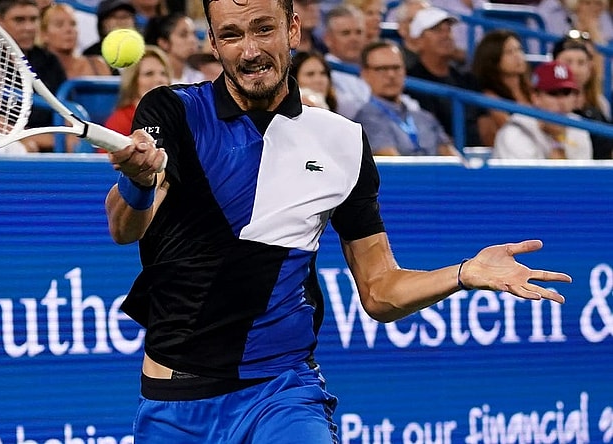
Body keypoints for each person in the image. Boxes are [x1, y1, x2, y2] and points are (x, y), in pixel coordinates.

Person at [102, 0, 572, 441]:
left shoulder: (341, 141)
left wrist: (463, 273)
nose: (250, 50)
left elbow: (380, 290)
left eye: (263, 28)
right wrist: (139, 181)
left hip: (280, 392)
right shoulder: (173, 110)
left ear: (292, 29)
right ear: (212, 42)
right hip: (174, 405)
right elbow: (125, 229)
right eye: (231, 35)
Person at [355, 40, 458, 156]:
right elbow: (395, 168)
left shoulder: (425, 118)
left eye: (396, 68)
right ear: (365, 74)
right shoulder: (366, 120)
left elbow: (455, 162)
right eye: (382, 69)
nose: (391, 75)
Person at [0, 0, 67, 152]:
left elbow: (67, 117)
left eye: (33, 20)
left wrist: (29, 137)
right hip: (0, 149)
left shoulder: (50, 61)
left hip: (49, 147)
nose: (29, 27)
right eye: (19, 20)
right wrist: (23, 140)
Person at [406, 6, 485, 146]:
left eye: (448, 29)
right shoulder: (411, 82)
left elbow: (484, 121)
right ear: (418, 41)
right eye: (437, 30)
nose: (446, 35)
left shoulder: (466, 78)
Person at [493, 60, 592, 160]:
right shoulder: (515, 131)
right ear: (536, 97)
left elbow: (583, 174)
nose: (562, 102)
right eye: (554, 93)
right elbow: (527, 175)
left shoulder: (578, 126)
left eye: (566, 93)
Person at [552, 31, 613, 159]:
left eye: (581, 63)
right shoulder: (549, 104)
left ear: (590, 67)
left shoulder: (599, 102)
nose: (575, 69)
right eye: (568, 62)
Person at [471, 29, 532, 147]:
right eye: (509, 52)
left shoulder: (533, 90)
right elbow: (511, 128)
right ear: (493, 59)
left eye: (519, 50)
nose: (517, 56)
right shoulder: (490, 98)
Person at [105, 45, 172, 136]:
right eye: (149, 74)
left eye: (163, 74)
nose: (159, 79)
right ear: (133, 81)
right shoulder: (120, 121)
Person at [322, 4, 371, 119]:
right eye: (346, 33)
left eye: (358, 32)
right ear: (328, 39)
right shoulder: (322, 72)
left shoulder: (375, 68)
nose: (354, 39)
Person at [39, 2, 113, 78]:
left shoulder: (98, 66)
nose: (68, 29)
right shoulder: (36, 70)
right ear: (44, 34)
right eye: (59, 25)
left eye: (73, 24)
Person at [82, 0, 139, 75]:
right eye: (114, 16)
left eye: (125, 16)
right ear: (102, 24)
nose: (121, 21)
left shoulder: (149, 52)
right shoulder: (90, 55)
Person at [144, 12, 203, 84]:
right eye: (183, 35)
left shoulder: (198, 77)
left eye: (194, 34)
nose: (193, 40)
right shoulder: (156, 81)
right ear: (164, 43)